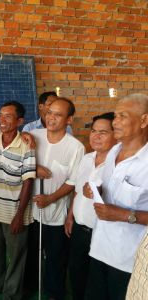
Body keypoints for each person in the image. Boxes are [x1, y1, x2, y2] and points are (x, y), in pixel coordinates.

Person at [84, 93, 148, 300]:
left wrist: (124, 215)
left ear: (144, 120)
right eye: (115, 116)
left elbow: (122, 212)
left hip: (129, 259)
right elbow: (109, 189)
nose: (115, 122)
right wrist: (96, 191)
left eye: (123, 116)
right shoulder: (114, 152)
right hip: (99, 247)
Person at [24, 97, 84, 300]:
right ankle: (30, 285)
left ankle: (54, 293)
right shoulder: (34, 134)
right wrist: (34, 166)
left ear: (69, 120)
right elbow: (17, 150)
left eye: (58, 114)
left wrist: (50, 198)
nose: (51, 118)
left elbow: (73, 181)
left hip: (57, 213)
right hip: (31, 211)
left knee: (56, 258)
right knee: (31, 252)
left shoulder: (75, 147)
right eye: (49, 112)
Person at [0, 101, 36, 299]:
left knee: (16, 255)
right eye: (0, 115)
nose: (2, 120)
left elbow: (29, 181)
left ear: (20, 121)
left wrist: (20, 215)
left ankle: (11, 293)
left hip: (15, 212)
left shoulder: (26, 146)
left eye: (8, 116)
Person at [64, 112, 117, 300]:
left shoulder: (119, 164)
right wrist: (70, 216)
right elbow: (78, 191)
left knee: (97, 282)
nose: (96, 136)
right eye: (94, 131)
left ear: (116, 134)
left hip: (102, 233)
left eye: (103, 132)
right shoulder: (87, 158)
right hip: (79, 227)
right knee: (77, 274)